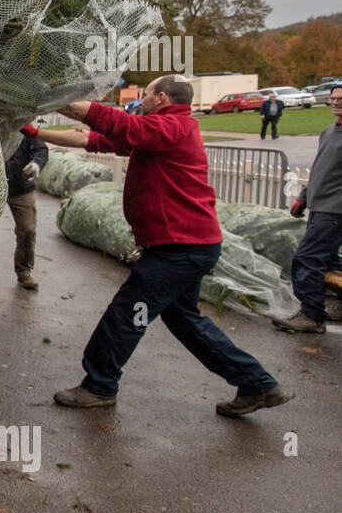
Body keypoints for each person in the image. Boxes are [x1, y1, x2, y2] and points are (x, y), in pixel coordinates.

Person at [25, 75, 290, 418]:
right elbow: (94, 139)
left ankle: (99, 385)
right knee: (185, 320)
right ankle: (257, 383)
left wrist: (48, 95)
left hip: (180, 249)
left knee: (127, 313)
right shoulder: (158, 132)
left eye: (146, 94)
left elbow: (115, 122)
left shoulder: (174, 128)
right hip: (186, 246)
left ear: (162, 98)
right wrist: (33, 133)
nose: (141, 99)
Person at [272, 83, 342, 333]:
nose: (335, 102)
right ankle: (333, 305)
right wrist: (303, 197)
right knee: (330, 263)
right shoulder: (329, 131)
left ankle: (312, 315)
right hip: (319, 205)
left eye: (341, 99)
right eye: (333, 98)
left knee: (307, 258)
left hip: (334, 211)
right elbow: (321, 169)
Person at [0, 132, 48, 291]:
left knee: (27, 228)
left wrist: (36, 164)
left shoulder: (26, 126)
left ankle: (24, 271)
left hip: (21, 182)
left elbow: (41, 150)